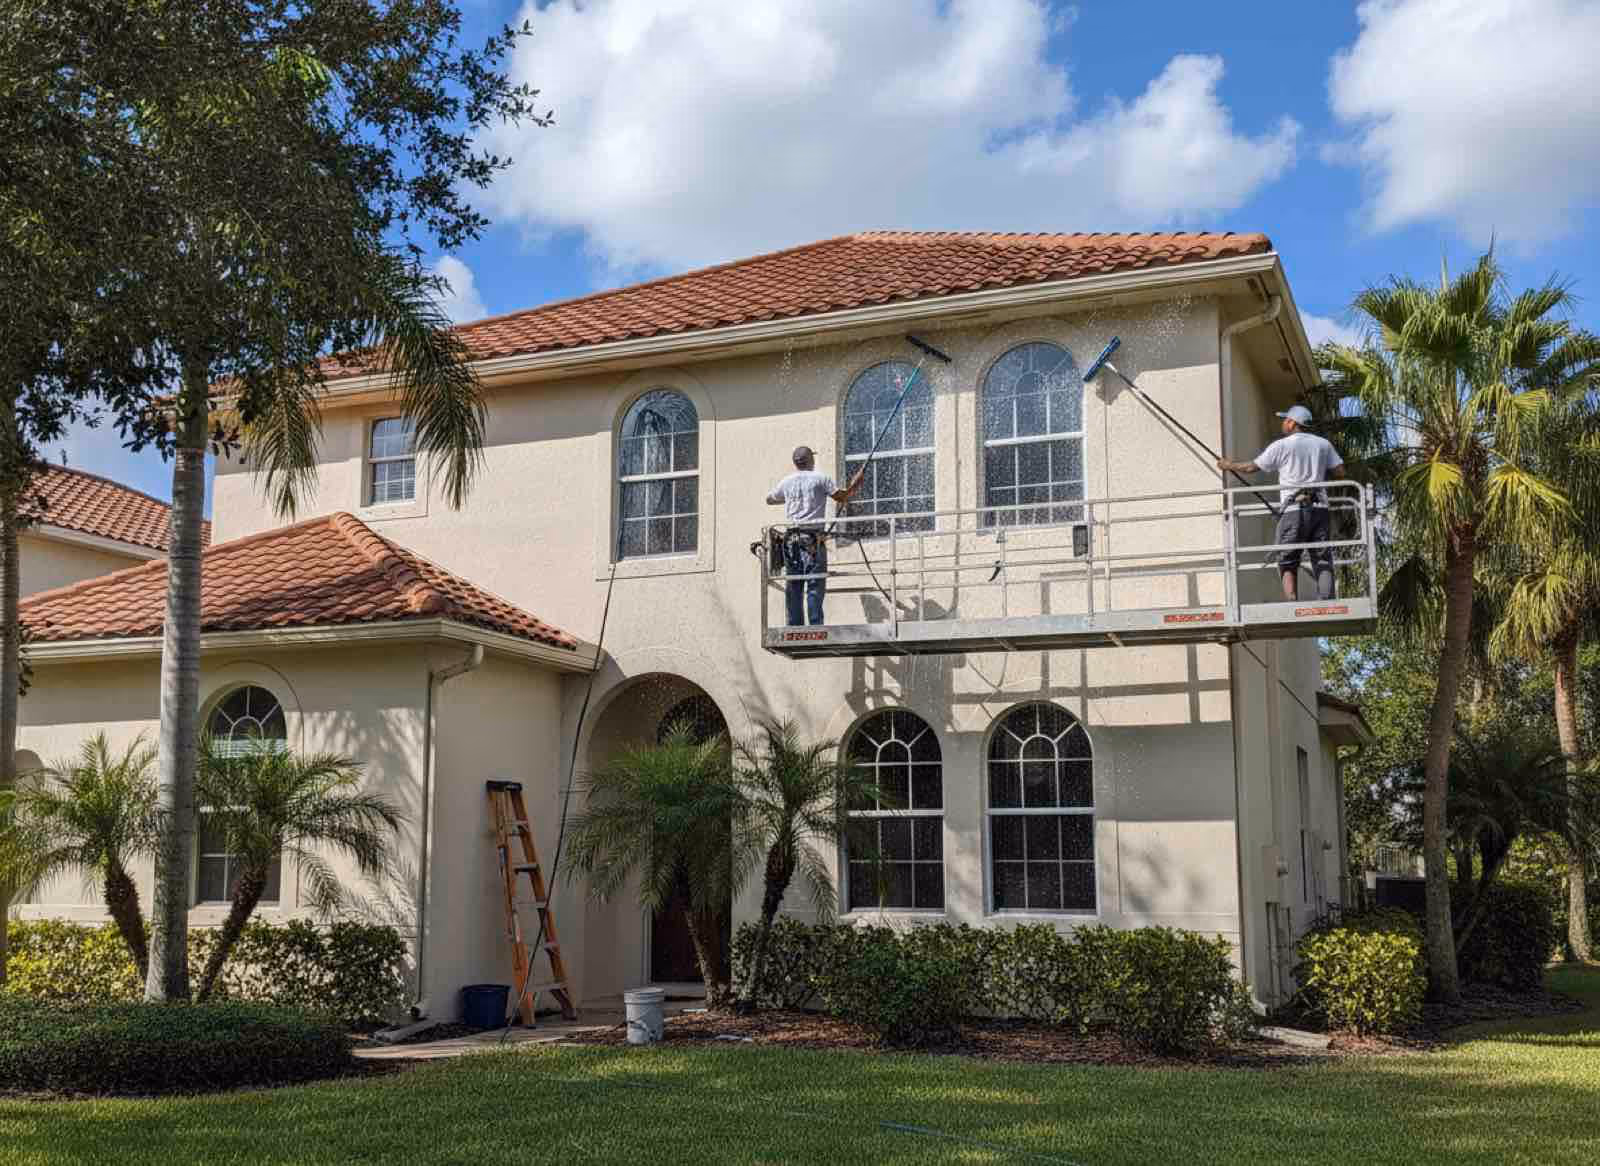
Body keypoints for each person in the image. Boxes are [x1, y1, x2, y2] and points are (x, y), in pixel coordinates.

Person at [1216, 405, 1346, 601]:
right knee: (1321, 558)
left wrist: (1228, 465)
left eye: (1285, 420)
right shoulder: (1323, 444)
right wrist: (1315, 472)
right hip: (1320, 509)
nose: (1283, 423)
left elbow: (1252, 467)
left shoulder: (1282, 445)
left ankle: (1293, 601)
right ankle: (1326, 601)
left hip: (1294, 510)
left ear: (1293, 423)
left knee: (1287, 558)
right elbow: (1340, 472)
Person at [766, 446, 864, 626]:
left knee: (794, 584)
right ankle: (815, 625)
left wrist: (791, 498)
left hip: (790, 539)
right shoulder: (820, 478)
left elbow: (770, 499)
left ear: (795, 463)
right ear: (811, 459)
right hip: (812, 539)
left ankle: (795, 626)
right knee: (814, 583)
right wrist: (855, 484)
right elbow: (841, 497)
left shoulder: (787, 482)